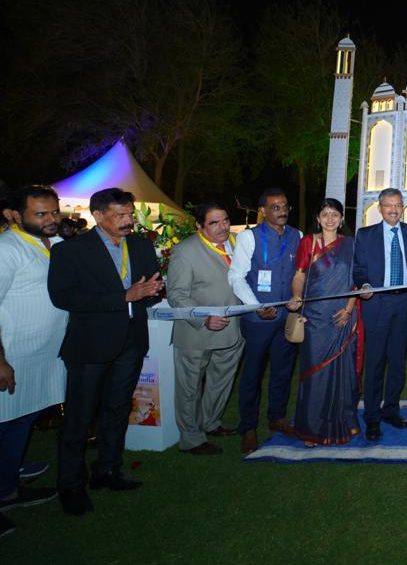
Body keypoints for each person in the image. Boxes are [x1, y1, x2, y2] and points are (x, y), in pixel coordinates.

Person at [47, 188, 164, 516]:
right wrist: (124, 296)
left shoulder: (140, 244)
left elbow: (149, 287)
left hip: (131, 342)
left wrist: (152, 292)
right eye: (121, 216)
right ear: (98, 216)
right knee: (80, 418)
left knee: (117, 409)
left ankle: (108, 469)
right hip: (90, 346)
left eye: (130, 214)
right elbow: (64, 297)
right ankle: (70, 484)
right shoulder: (71, 251)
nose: (129, 221)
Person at [0, 186, 68, 533]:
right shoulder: (6, 249)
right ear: (14, 216)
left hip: (42, 355)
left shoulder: (56, 245)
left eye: (53, 212)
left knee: (21, 420)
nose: (51, 219)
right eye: (41, 215)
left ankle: (8, 488)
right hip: (11, 355)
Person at [165, 201, 244, 456]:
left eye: (225, 220)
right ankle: (191, 438)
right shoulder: (185, 251)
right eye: (214, 222)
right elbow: (177, 295)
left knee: (221, 382)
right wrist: (203, 318)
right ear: (200, 225)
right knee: (190, 387)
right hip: (196, 332)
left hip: (234, 330)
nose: (222, 227)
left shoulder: (238, 242)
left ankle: (211, 423)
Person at [228, 187, 302, 455]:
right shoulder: (248, 237)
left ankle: (277, 417)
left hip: (286, 317)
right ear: (263, 210)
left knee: (283, 371)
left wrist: (298, 296)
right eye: (275, 207)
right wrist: (256, 306)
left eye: (284, 206)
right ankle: (248, 427)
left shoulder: (298, 236)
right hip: (258, 318)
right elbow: (236, 276)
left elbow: (300, 274)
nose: (281, 211)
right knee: (252, 374)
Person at [286, 199, 360, 444]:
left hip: (342, 316)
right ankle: (312, 428)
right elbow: (299, 276)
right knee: (314, 373)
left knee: (343, 371)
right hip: (315, 317)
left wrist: (349, 310)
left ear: (341, 219)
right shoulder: (309, 242)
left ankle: (343, 423)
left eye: (335, 214)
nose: (330, 219)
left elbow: (356, 280)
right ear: (318, 218)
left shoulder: (350, 245)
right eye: (325, 214)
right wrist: (296, 296)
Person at [353, 188, 407, 443]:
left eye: (398, 205)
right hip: (377, 305)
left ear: (402, 207)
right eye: (388, 206)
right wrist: (363, 285)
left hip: (404, 303)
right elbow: (358, 269)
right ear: (379, 208)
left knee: (397, 362)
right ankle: (372, 417)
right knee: (374, 363)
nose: (393, 210)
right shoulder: (365, 235)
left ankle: (391, 410)